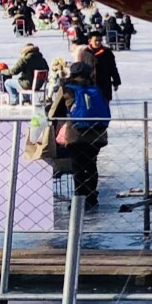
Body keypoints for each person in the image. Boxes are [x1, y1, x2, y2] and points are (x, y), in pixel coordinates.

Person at [50, 59, 111, 210]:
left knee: (78, 167)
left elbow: (53, 113)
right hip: (97, 134)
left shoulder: (66, 88)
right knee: (91, 165)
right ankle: (91, 197)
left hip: (76, 135)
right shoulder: (95, 88)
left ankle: (79, 199)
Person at [82, 31, 122, 105]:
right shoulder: (85, 53)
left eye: (100, 40)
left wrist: (116, 81)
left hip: (104, 85)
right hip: (90, 85)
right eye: (96, 40)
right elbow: (81, 68)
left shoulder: (107, 52)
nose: (98, 42)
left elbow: (113, 67)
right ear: (89, 41)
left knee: (104, 106)